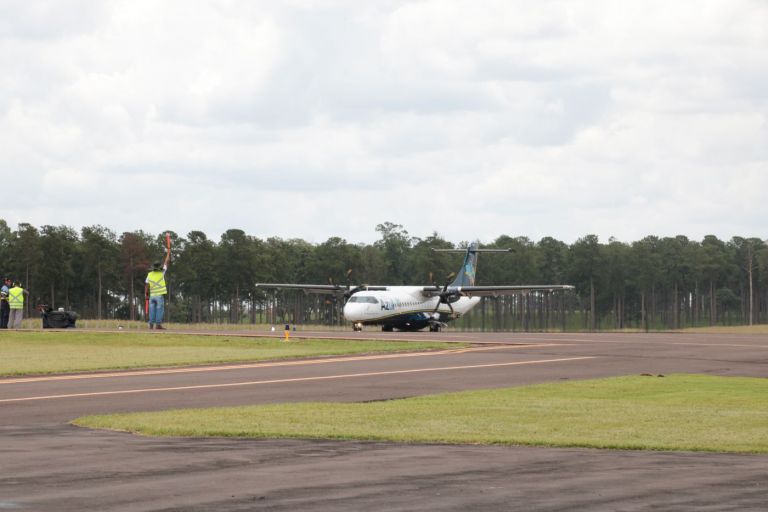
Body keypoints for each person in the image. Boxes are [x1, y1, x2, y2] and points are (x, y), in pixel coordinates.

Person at [145, 250, 170, 330]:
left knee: (152, 310)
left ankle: (151, 324)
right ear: (159, 267)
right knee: (160, 310)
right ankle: (158, 325)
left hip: (152, 295)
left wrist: (146, 294)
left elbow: (147, 284)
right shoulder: (162, 272)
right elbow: (166, 262)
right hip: (159, 295)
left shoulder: (149, 274)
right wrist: (168, 253)